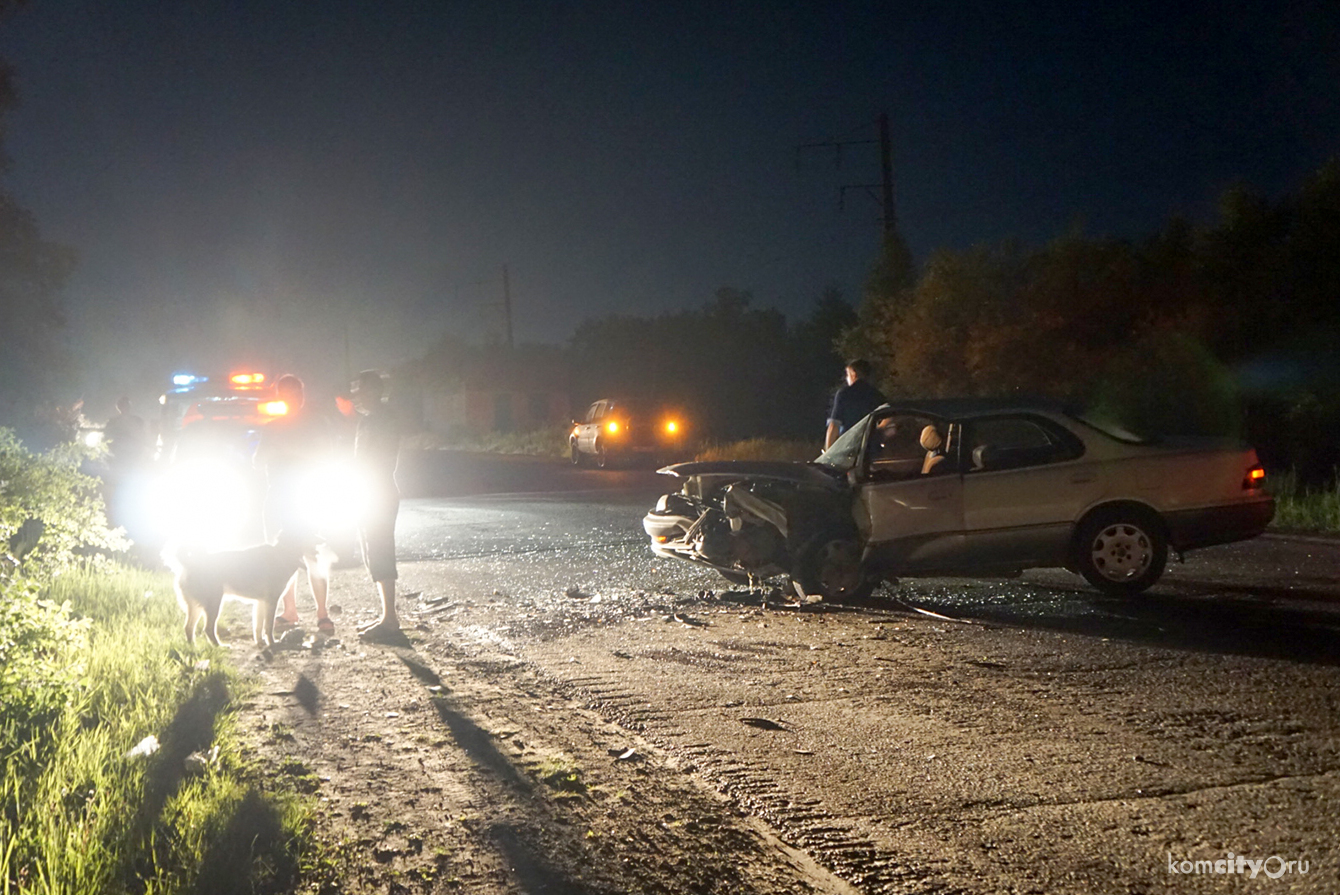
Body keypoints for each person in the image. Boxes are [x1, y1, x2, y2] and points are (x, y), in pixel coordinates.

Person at [254, 374, 334, 636]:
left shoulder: (313, 425)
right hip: (281, 496)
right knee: (285, 557)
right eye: (288, 394)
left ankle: (320, 612)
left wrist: (285, 449)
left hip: (302, 496)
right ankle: (293, 612)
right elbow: (258, 459)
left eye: (295, 393)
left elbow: (326, 456)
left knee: (310, 554)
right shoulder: (274, 426)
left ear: (301, 396)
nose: (293, 398)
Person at [348, 370, 407, 645]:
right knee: (372, 551)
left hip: (378, 492)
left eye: (358, 389)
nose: (354, 395)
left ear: (372, 391)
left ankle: (390, 620)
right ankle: (386, 616)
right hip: (367, 492)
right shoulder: (368, 420)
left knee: (380, 550)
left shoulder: (383, 420)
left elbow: (378, 460)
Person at [824, 359, 886, 449]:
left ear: (853, 373)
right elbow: (888, 421)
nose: (847, 378)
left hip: (848, 447)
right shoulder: (877, 395)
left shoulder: (845, 394)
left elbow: (834, 426)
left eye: (847, 375)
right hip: (871, 449)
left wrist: (828, 453)